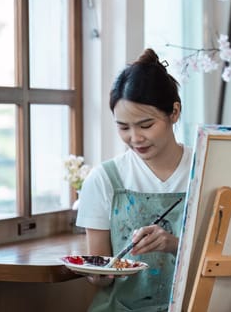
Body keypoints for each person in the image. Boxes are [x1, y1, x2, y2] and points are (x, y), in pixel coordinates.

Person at [76, 48, 192, 312]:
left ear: (174, 112)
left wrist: (174, 245)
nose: (135, 138)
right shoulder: (105, 179)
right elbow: (101, 277)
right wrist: (99, 274)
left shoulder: (204, 170)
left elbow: (229, 258)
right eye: (123, 127)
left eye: (146, 125)